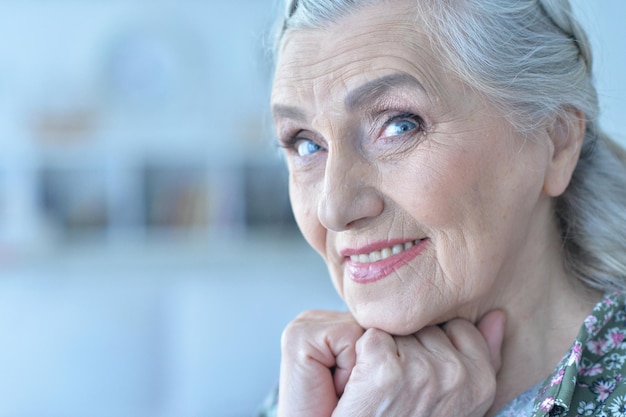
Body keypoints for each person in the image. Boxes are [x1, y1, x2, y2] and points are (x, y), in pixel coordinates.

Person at [260, 0, 626, 416]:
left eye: (400, 125)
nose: (334, 208)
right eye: (306, 144)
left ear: (556, 141)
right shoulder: (318, 389)